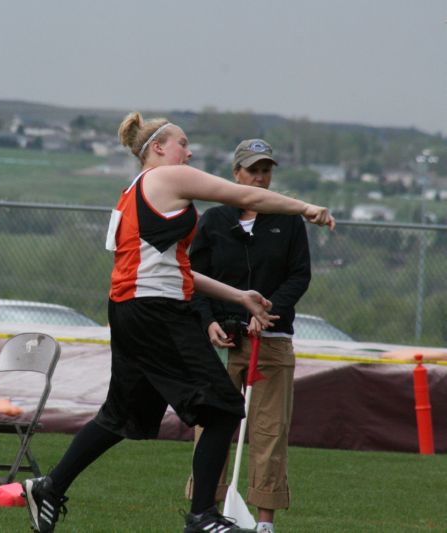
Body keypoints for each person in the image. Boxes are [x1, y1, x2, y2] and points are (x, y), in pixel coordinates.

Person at [22, 112, 335, 533]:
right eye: (182, 144)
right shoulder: (168, 178)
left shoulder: (134, 190)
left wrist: (238, 295)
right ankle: (202, 517)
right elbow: (247, 196)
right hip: (157, 312)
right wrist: (307, 208)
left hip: (133, 309)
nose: (189, 152)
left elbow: (175, 267)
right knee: (224, 407)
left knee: (118, 416)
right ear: (158, 148)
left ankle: (50, 485)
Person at [186, 139, 310, 533]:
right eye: (253, 170)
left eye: (266, 170)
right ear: (235, 174)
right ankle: (206, 512)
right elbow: (192, 278)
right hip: (222, 343)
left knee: (270, 431)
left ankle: (264, 521)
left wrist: (267, 311)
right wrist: (208, 322)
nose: (260, 177)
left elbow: (299, 275)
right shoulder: (212, 221)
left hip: (271, 342)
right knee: (210, 427)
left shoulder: (288, 220)